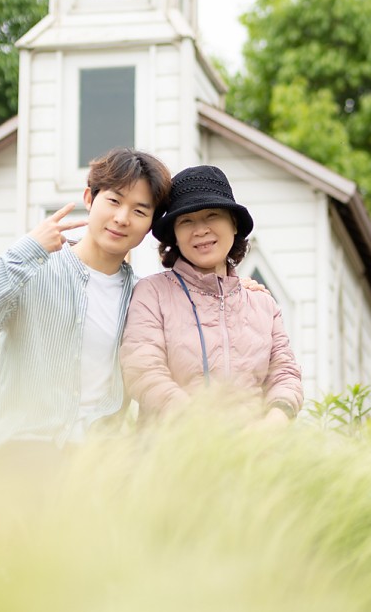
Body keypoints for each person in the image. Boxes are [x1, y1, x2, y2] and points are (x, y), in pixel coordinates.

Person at [0, 148, 172, 474]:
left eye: (139, 210)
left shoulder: (143, 298)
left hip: (96, 468)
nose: (122, 218)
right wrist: (26, 250)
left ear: (151, 224)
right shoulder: (33, 267)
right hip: (20, 457)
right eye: (113, 201)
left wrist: (240, 288)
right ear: (89, 199)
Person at [119, 165, 303, 426]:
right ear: (174, 235)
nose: (201, 230)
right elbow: (142, 370)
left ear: (234, 223)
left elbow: (284, 374)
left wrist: (273, 424)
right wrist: (201, 426)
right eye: (186, 221)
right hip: (170, 455)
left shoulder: (263, 303)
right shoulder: (152, 294)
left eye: (212, 215)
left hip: (255, 455)